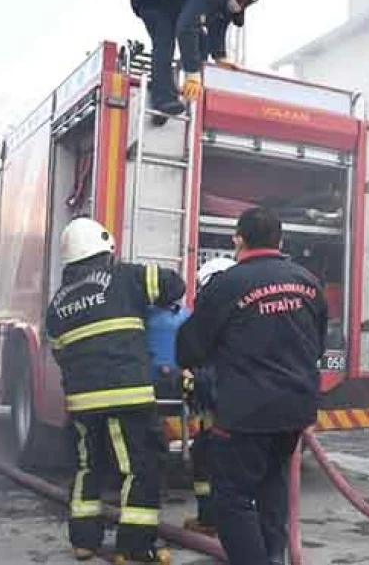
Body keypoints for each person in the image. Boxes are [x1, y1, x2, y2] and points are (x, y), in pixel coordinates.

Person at [177, 207, 327, 565]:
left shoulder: (226, 286)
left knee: (233, 498)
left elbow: (190, 348)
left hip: (245, 412)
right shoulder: (308, 282)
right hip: (294, 409)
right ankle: (273, 556)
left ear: (238, 240)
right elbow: (317, 345)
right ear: (281, 240)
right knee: (273, 483)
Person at [45, 217, 185, 564]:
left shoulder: (57, 304)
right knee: (142, 466)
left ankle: (83, 542)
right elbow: (174, 285)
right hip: (127, 395)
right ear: (105, 248)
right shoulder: (124, 277)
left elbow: (59, 352)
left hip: (81, 400)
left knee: (87, 467)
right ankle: (135, 548)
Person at [129, 0, 263, 119]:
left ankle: (188, 93)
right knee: (165, 39)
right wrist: (192, 72)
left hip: (178, 1)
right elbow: (185, 28)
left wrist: (220, 56)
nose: (241, 3)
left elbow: (217, 26)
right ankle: (163, 99)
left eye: (247, 2)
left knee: (201, 41)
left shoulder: (231, 0)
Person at [180, 256, 236, 537]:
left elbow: (195, 358)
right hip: (246, 406)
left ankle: (211, 519)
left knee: (206, 458)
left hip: (219, 408)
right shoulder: (247, 308)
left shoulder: (206, 314)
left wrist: (192, 384)